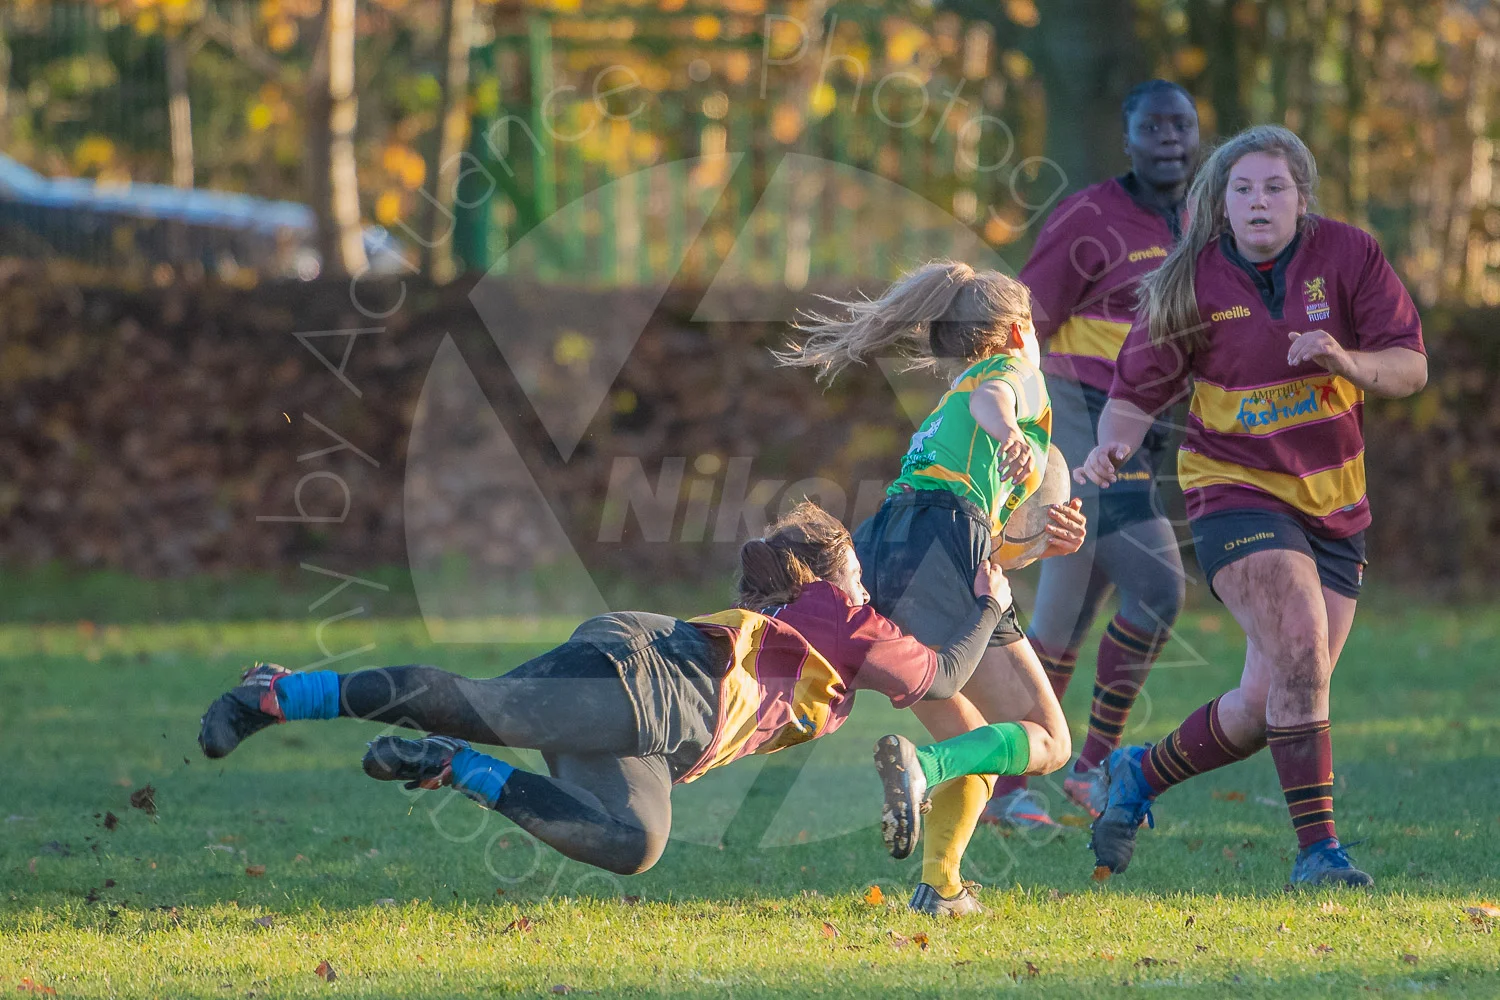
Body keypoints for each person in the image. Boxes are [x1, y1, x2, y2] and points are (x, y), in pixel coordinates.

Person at [198, 502, 1039, 877]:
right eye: (855, 557)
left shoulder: (836, 611)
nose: (866, 569)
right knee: (485, 704)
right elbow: (949, 673)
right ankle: (280, 695)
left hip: (660, 730)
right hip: (659, 680)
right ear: (834, 569)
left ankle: (453, 767)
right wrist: (993, 603)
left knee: (633, 845)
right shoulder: (844, 609)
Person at [1076, 124, 1427, 888]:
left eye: (1274, 187)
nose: (1259, 200)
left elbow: (1408, 368)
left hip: (1336, 505)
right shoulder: (1191, 280)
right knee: (1299, 646)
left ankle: (1138, 773)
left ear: (1302, 198)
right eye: (1243, 188)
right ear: (1221, 203)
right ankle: (1319, 854)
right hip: (1233, 493)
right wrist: (1113, 445)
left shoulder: (1350, 255)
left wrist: (1346, 361)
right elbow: (1133, 394)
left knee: (1269, 700)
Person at [776, 261, 1087, 916]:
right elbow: (996, 401)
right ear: (1015, 331)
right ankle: (924, 770)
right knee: (1048, 739)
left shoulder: (950, 412)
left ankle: (941, 889)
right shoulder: (1010, 378)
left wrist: (1040, 545)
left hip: (888, 545)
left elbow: (991, 549)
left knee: (973, 741)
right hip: (939, 542)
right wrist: (1014, 436)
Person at [984, 80, 1199, 830]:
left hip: (1149, 426)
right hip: (1080, 419)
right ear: (1128, 135)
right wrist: (1012, 418)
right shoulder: (1089, 217)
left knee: (1065, 619)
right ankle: (1094, 767)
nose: (1169, 138)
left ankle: (1001, 789)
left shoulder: (1210, 218)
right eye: (1154, 126)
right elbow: (1023, 321)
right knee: (1161, 591)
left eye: (1182, 124)